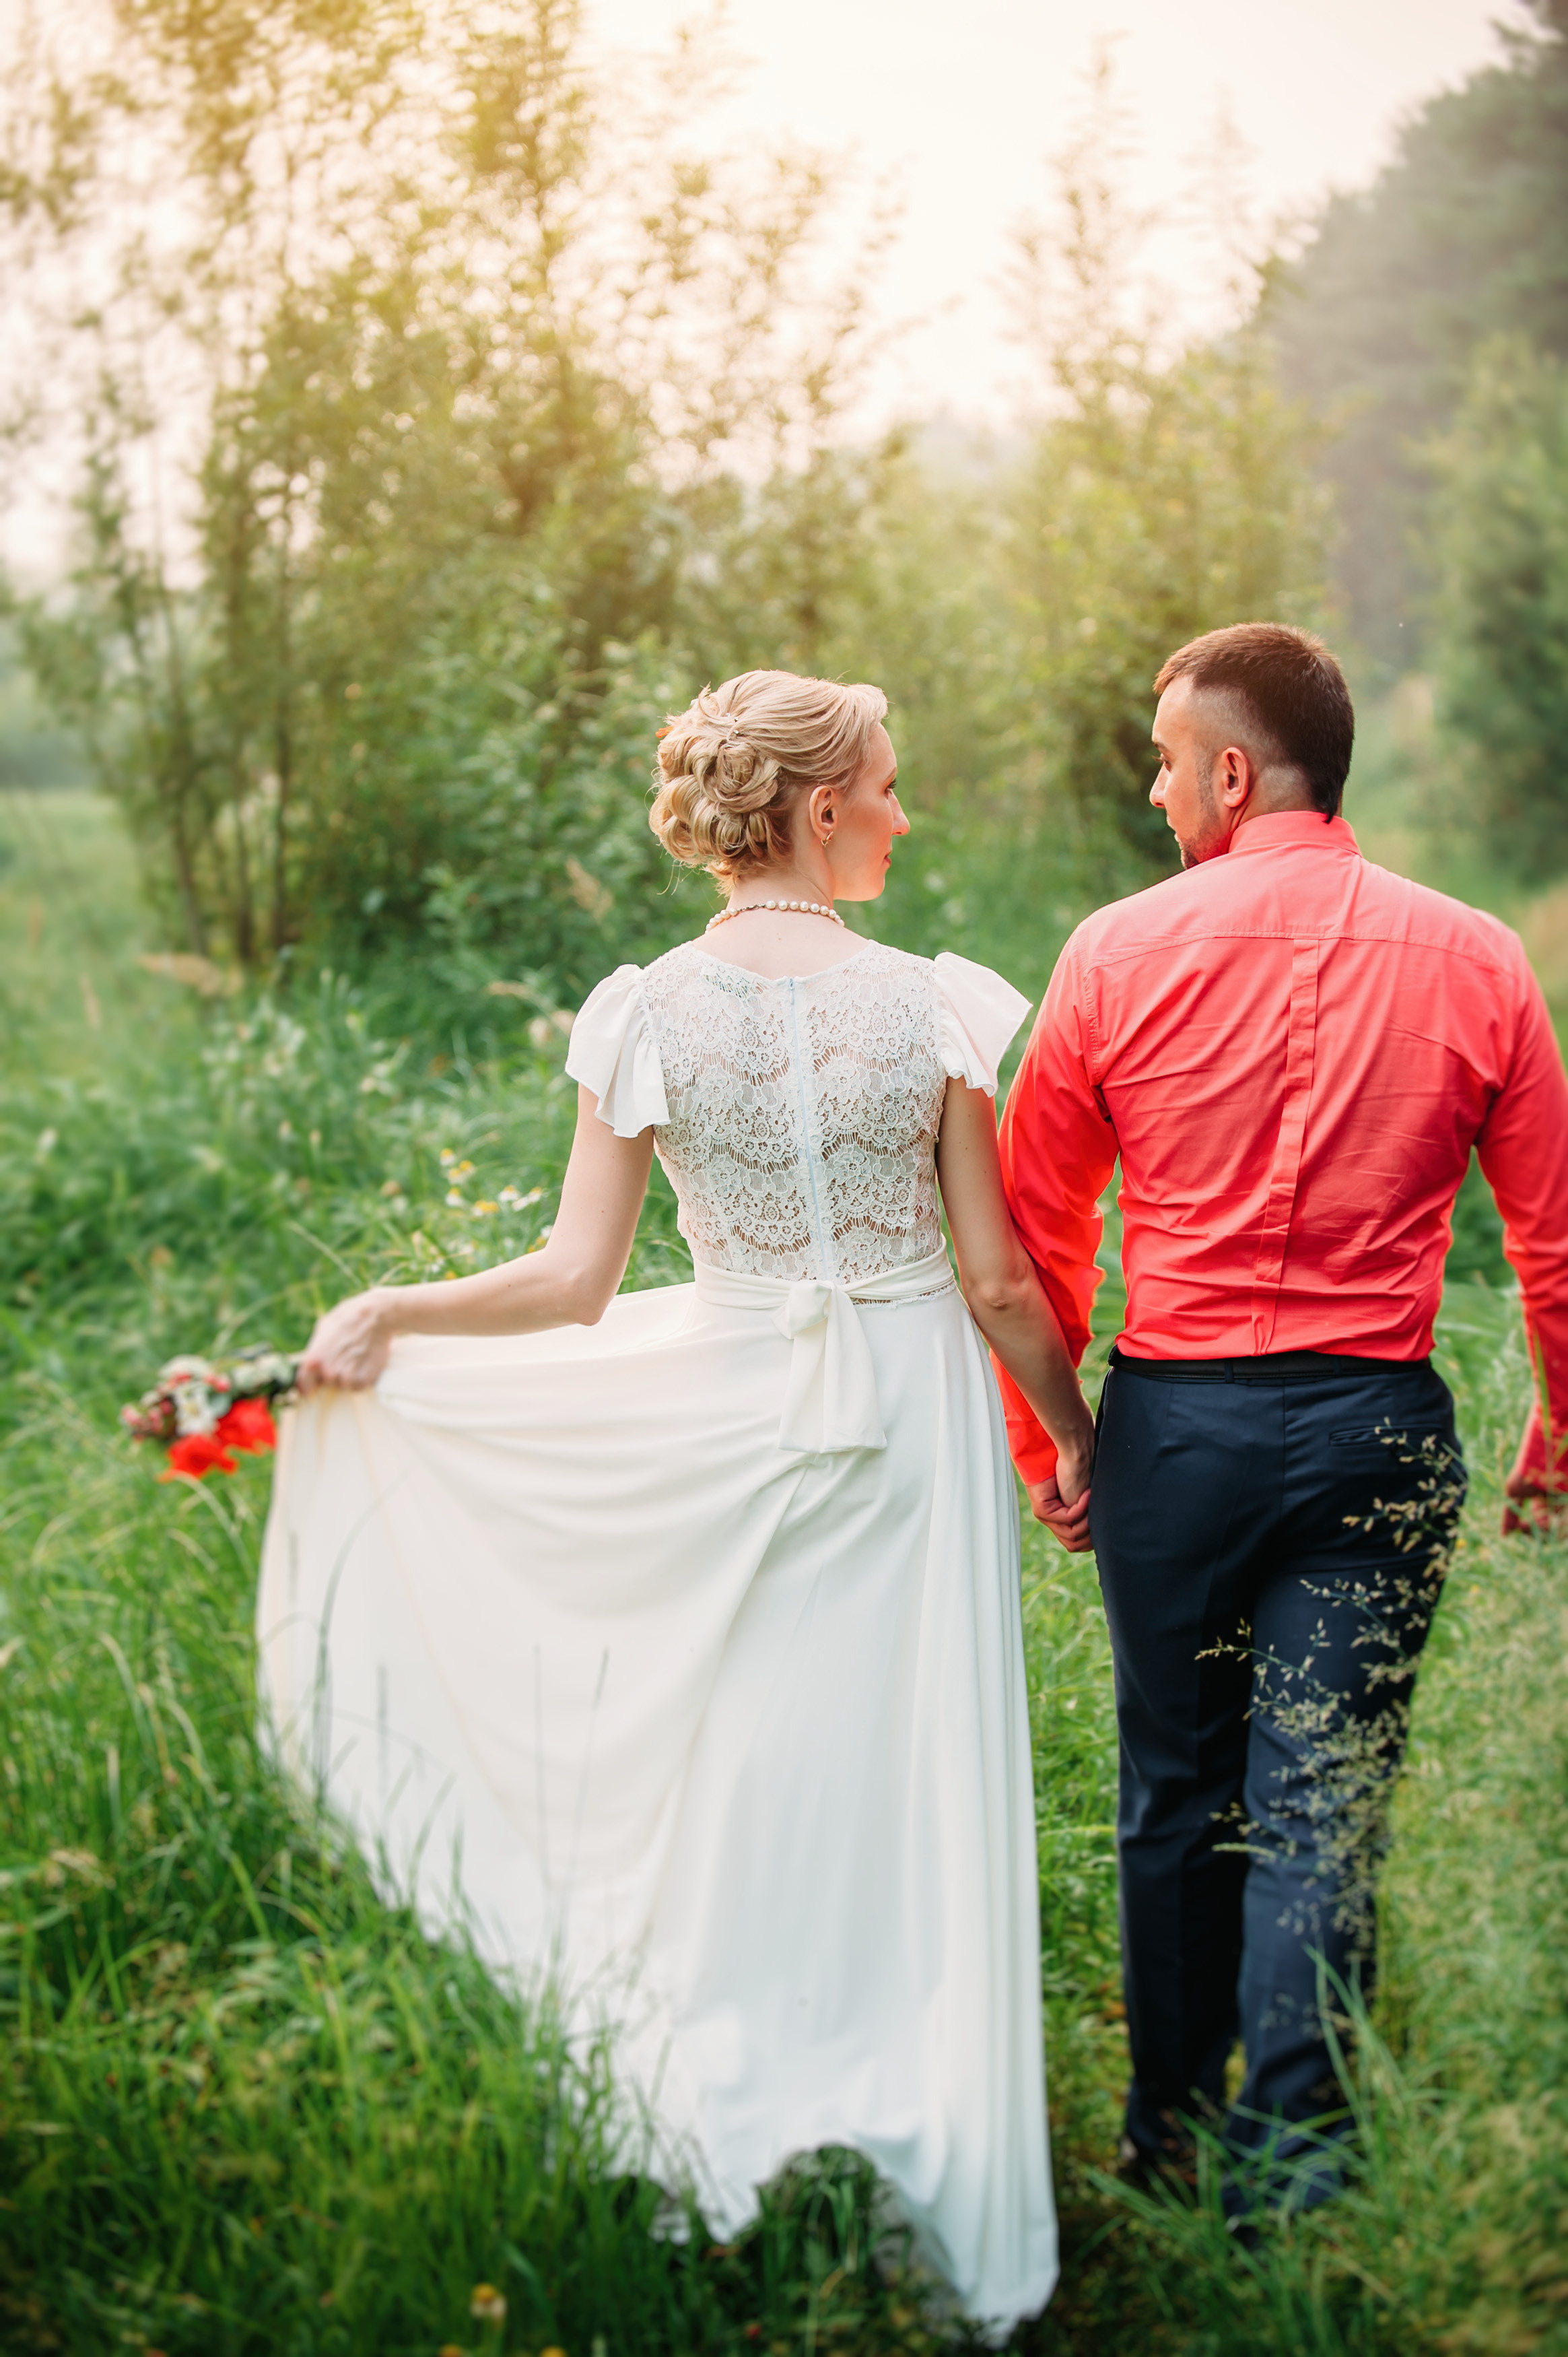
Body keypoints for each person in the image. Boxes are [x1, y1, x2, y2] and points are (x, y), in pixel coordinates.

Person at [257, 669, 1093, 2327]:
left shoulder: (642, 1007)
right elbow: (996, 1282)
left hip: (732, 1413)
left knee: (744, 1765)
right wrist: (1074, 1431)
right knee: (910, 1771)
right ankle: (917, 2159)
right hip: (911, 1415)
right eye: (888, 785)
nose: (905, 815)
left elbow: (576, 1280)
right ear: (822, 807)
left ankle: (725, 2113)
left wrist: (399, 1312)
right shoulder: (933, 1006)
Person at [995, 622, 1568, 2214]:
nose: (1159, 787)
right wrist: (1556, 1435)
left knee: (1177, 1789)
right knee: (1327, 1793)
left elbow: (1037, 1226)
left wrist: (1053, 1434)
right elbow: (1554, 1239)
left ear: (1234, 771)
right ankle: (1300, 2161)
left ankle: (1166, 2135)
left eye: (1170, 760)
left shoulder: (1113, 951)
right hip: (1377, 1431)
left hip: (1174, 1433)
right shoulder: (1481, 956)